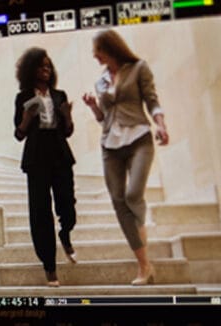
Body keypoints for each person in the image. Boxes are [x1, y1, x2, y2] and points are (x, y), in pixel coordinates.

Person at [81, 29, 168, 286]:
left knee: (133, 195)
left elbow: (152, 100)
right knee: (119, 202)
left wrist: (161, 124)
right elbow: (103, 118)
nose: (95, 57)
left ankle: (138, 224)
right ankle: (144, 266)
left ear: (109, 48)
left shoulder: (139, 68)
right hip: (110, 145)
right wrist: (94, 107)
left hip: (140, 137)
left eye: (97, 51)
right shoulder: (101, 82)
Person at [12, 47, 80, 288]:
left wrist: (68, 116)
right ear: (31, 69)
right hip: (36, 157)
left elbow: (68, 131)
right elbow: (19, 134)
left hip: (60, 154)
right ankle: (49, 267)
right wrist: (27, 119)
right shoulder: (22, 98)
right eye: (41, 66)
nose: (46, 70)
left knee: (67, 204)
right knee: (40, 213)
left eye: (49, 66)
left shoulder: (60, 95)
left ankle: (65, 233)